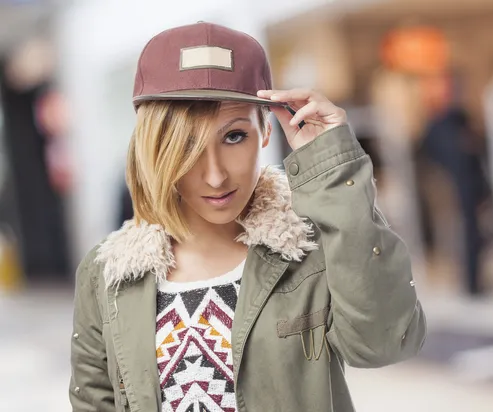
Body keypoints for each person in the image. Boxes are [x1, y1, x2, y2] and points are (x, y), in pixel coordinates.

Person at [69, 22, 426, 412]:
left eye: (234, 136)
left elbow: (384, 342)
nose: (215, 174)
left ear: (266, 130)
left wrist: (332, 168)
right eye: (185, 144)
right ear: (155, 146)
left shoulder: (312, 247)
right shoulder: (109, 274)